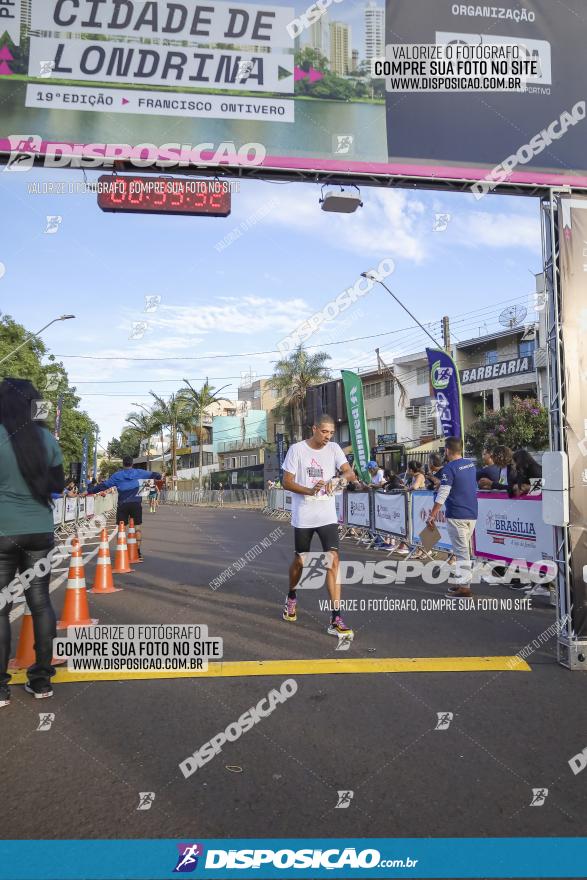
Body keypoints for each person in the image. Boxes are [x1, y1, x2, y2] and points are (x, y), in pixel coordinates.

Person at [0, 378, 65, 706]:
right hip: (40, 531)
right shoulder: (46, 439)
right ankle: (40, 681)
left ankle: (0, 688)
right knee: (40, 602)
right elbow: (57, 487)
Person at [281, 414, 366, 638]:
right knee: (301, 561)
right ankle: (291, 595)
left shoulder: (335, 449)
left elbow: (350, 473)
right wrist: (309, 490)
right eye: (324, 432)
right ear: (314, 428)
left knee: (333, 560)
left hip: (327, 514)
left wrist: (336, 481)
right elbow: (286, 481)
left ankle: (336, 617)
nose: (328, 436)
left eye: (331, 433)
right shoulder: (297, 449)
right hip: (304, 515)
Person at [427, 436, 478, 598]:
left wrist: (433, 514)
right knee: (462, 550)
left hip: (457, 514)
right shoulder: (470, 464)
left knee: (462, 552)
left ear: (448, 450)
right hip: (471, 514)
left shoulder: (450, 468)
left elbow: (443, 493)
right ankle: (462, 583)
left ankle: (465, 588)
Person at [89, 457, 161, 561]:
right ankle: (138, 552)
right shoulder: (139, 472)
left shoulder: (117, 475)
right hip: (136, 503)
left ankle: (121, 552)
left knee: (121, 529)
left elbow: (104, 485)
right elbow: (155, 475)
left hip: (122, 504)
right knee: (137, 528)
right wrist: (158, 476)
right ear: (132, 463)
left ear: (123, 464)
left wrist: (90, 492)